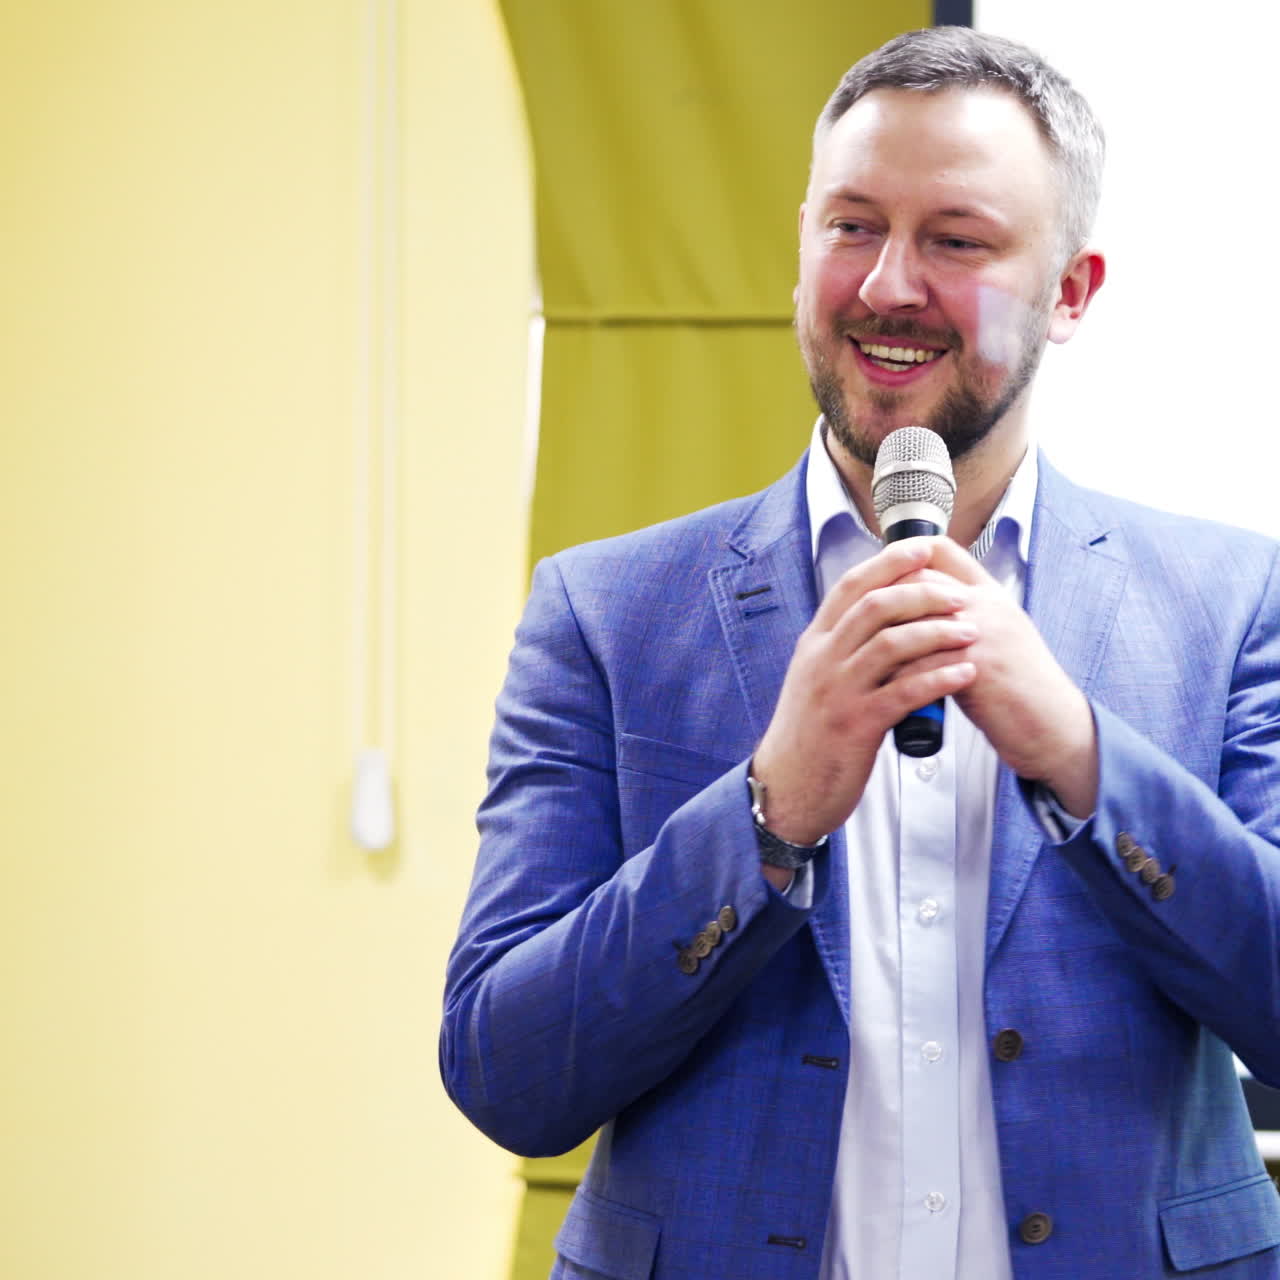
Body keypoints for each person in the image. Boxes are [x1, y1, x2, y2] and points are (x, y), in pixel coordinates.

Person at [441, 26, 1280, 1279]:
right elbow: (504, 1071)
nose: (887, 283)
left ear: (1069, 292)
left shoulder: (1231, 598)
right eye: (850, 226)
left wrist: (1081, 756)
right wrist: (764, 812)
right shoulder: (603, 610)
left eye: (955, 240)